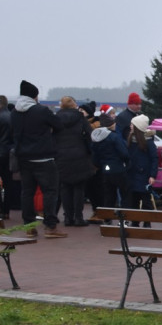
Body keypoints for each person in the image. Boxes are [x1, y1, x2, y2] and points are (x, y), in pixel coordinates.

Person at [10, 80, 68, 238]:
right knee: (50, 191)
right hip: (44, 157)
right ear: (34, 96)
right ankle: (50, 226)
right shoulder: (41, 111)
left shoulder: (15, 112)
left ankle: (29, 226)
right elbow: (59, 125)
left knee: (27, 192)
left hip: (23, 158)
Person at [54, 97, 95, 227]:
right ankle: (78, 217)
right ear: (73, 105)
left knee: (64, 187)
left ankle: (67, 218)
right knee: (79, 188)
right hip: (79, 155)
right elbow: (90, 135)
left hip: (61, 155)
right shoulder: (80, 117)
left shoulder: (56, 118)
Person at [91, 113, 130, 215]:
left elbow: (95, 158)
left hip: (105, 170)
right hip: (118, 169)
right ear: (111, 125)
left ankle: (107, 218)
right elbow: (124, 154)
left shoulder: (96, 138)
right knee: (125, 194)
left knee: (109, 196)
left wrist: (102, 165)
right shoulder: (114, 137)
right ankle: (124, 217)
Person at [126, 115, 158, 222]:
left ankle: (146, 222)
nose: (130, 126)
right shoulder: (131, 139)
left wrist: (153, 175)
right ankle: (135, 222)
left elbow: (154, 159)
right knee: (134, 200)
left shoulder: (148, 142)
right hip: (132, 174)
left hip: (144, 175)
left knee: (146, 200)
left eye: (132, 125)